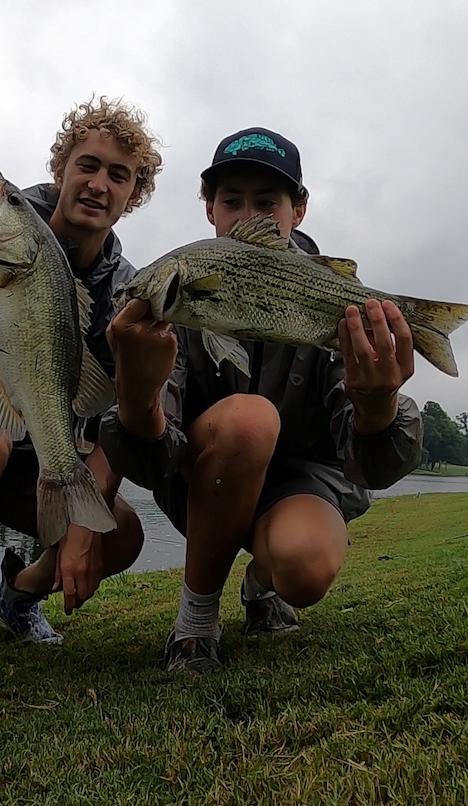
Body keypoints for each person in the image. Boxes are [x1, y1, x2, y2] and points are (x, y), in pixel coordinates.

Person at [100, 127, 425, 673]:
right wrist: (136, 394)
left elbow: (375, 465)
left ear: (298, 210)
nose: (247, 213)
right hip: (208, 478)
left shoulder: (328, 295)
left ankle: (262, 579)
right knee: (249, 421)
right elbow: (149, 463)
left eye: (267, 201)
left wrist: (378, 406)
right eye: (231, 200)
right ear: (209, 210)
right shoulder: (168, 313)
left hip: (300, 486)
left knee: (305, 568)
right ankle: (196, 623)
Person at [0, 97, 163, 689]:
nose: (98, 184)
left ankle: (17, 594)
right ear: (62, 167)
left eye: (119, 175)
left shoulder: (125, 289)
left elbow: (113, 413)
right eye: (86, 165)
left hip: (36, 449)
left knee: (123, 532)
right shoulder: (6, 223)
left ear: (133, 194)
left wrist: (83, 524)